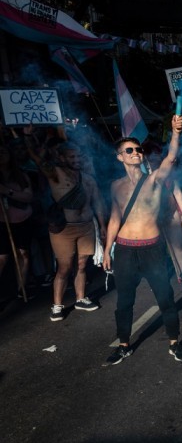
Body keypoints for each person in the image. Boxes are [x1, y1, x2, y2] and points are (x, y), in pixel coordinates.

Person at [102, 115, 182, 365]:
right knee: (124, 301)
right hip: (125, 250)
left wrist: (175, 132)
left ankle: (174, 342)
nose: (136, 153)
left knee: (165, 297)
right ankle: (124, 345)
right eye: (129, 150)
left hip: (152, 248)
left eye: (138, 149)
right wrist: (107, 249)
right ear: (120, 157)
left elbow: (170, 158)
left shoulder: (153, 179)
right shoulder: (116, 186)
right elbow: (115, 219)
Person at [27, 137, 106, 321]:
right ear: (62, 157)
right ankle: (57, 306)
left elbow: (98, 202)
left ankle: (80, 299)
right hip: (64, 229)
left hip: (86, 227)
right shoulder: (55, 173)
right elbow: (38, 160)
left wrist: (102, 226)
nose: (76, 160)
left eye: (78, 156)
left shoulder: (88, 179)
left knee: (82, 265)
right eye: (72, 157)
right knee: (64, 267)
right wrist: (29, 138)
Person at [0, 143, 34, 297]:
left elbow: (28, 196)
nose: (2, 155)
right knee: (2, 257)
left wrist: (7, 191)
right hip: (2, 222)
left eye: (4, 152)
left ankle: (22, 289)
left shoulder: (21, 175)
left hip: (22, 220)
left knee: (23, 253)